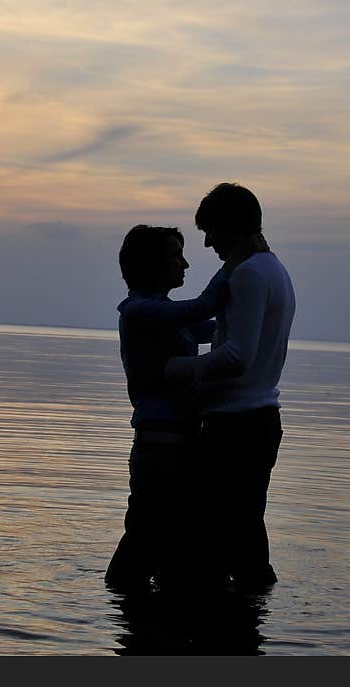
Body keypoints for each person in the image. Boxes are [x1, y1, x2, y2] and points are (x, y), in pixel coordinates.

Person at [166, 183, 295, 592]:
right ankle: (248, 629)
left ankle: (223, 631)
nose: (207, 243)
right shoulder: (273, 269)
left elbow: (238, 356)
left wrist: (176, 369)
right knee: (245, 533)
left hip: (236, 425)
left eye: (211, 232)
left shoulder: (250, 275)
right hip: (258, 420)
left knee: (216, 539)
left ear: (232, 228)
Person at [105, 224, 229, 593]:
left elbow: (217, 328)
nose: (186, 264)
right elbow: (205, 307)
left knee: (169, 540)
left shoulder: (166, 313)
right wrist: (239, 260)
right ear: (153, 263)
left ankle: (151, 621)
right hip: (159, 447)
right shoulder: (138, 312)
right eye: (177, 255)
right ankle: (122, 608)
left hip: (181, 441)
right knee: (144, 537)